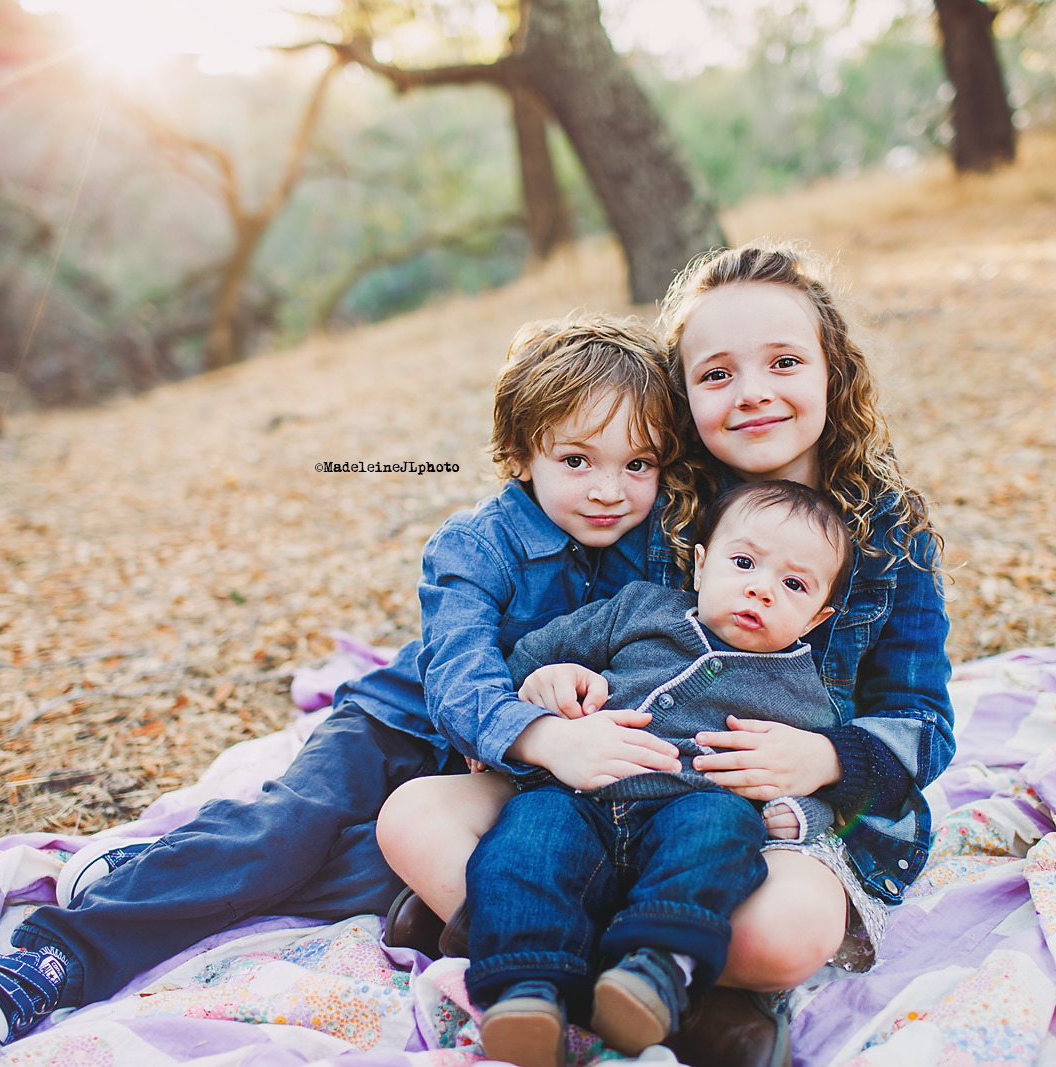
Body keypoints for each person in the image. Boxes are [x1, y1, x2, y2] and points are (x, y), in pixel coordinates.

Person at [0, 315, 695, 1049]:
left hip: (481, 774)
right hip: (397, 726)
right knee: (286, 833)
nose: (610, 489)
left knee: (374, 874)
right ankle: (58, 953)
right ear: (523, 453)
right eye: (577, 461)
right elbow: (459, 675)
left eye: (638, 463)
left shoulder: (648, 548)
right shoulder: (476, 544)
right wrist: (542, 734)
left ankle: (155, 868)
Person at [378, 241, 955, 1044]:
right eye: (717, 373)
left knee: (780, 932)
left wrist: (823, 760)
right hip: (606, 785)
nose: (752, 392)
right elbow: (583, 641)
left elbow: (924, 719)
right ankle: (628, 981)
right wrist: (554, 692)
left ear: (833, 373)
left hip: (764, 814)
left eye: (784, 361)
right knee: (412, 817)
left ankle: (538, 938)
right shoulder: (656, 501)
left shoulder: (888, 534)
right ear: (684, 396)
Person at [468, 480, 853, 1067]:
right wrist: (540, 684)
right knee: (528, 835)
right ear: (701, 564)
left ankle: (656, 969)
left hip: (691, 807)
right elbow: (538, 650)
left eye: (793, 585)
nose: (761, 588)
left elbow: (817, 784)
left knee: (721, 829)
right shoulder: (641, 610)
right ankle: (527, 989)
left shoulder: (804, 696)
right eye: (744, 562)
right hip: (581, 795)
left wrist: (798, 811)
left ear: (818, 616)